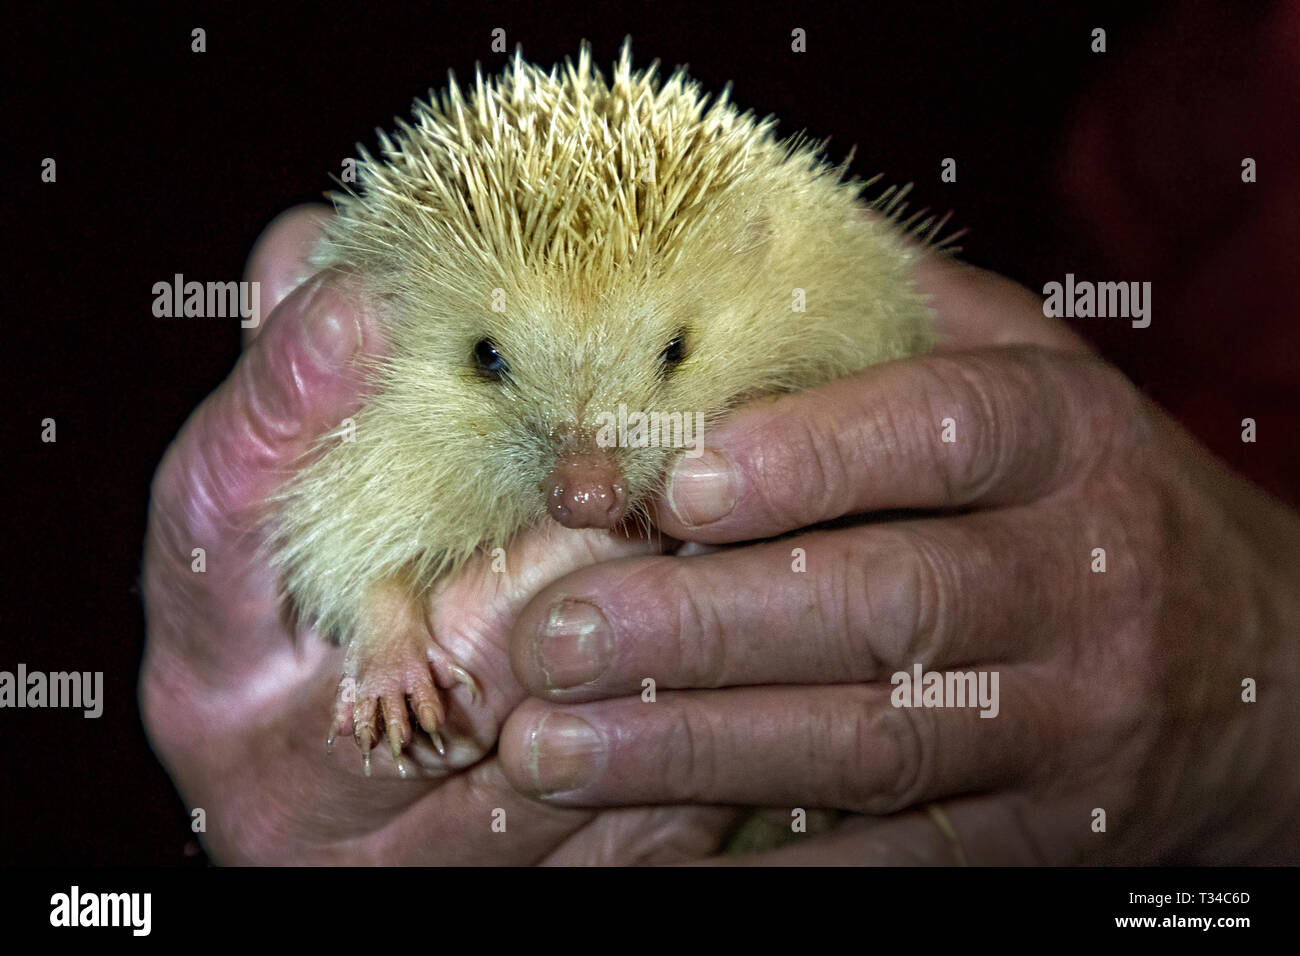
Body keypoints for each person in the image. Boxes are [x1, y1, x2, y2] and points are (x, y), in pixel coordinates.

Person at [139, 197, 1300, 864]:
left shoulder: (802, 272)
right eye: (496, 362)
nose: (587, 477)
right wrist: (386, 637)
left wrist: (1254, 699)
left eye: (667, 358)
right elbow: (350, 546)